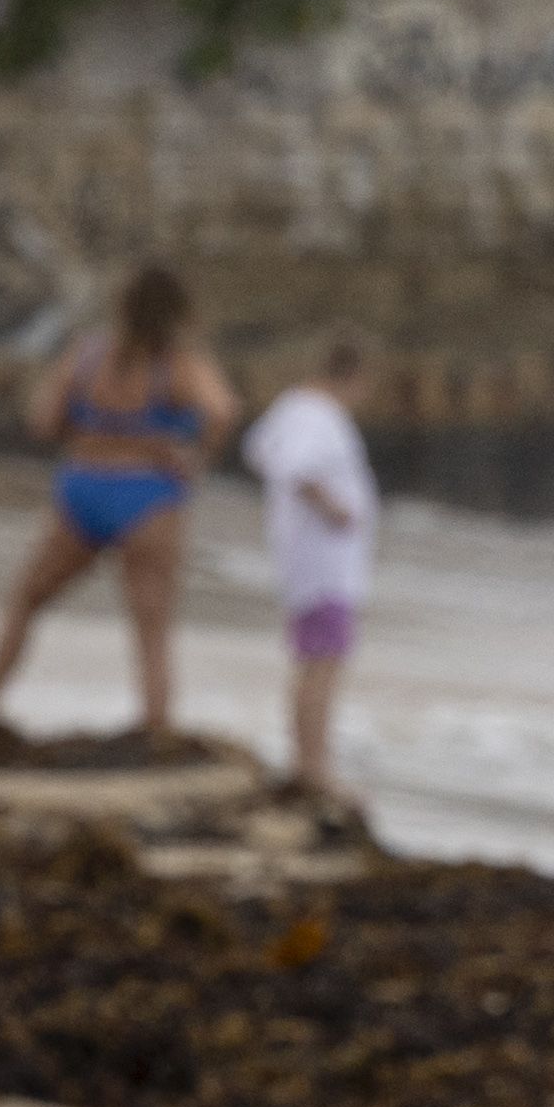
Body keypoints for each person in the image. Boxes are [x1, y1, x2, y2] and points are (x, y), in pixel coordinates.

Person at [0, 264, 236, 743]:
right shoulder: (178, 362)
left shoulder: (90, 353)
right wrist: (194, 459)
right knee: (152, 631)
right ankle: (156, 729)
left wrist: (92, 431)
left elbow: (43, 419)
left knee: (26, 601)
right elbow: (221, 410)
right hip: (148, 496)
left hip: (83, 487)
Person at [238, 339, 383, 797]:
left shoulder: (293, 406)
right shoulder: (320, 415)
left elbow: (257, 450)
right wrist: (334, 509)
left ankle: (307, 761)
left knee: (311, 661)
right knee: (324, 663)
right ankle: (314, 768)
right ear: (353, 376)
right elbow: (293, 468)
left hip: (302, 557)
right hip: (324, 562)